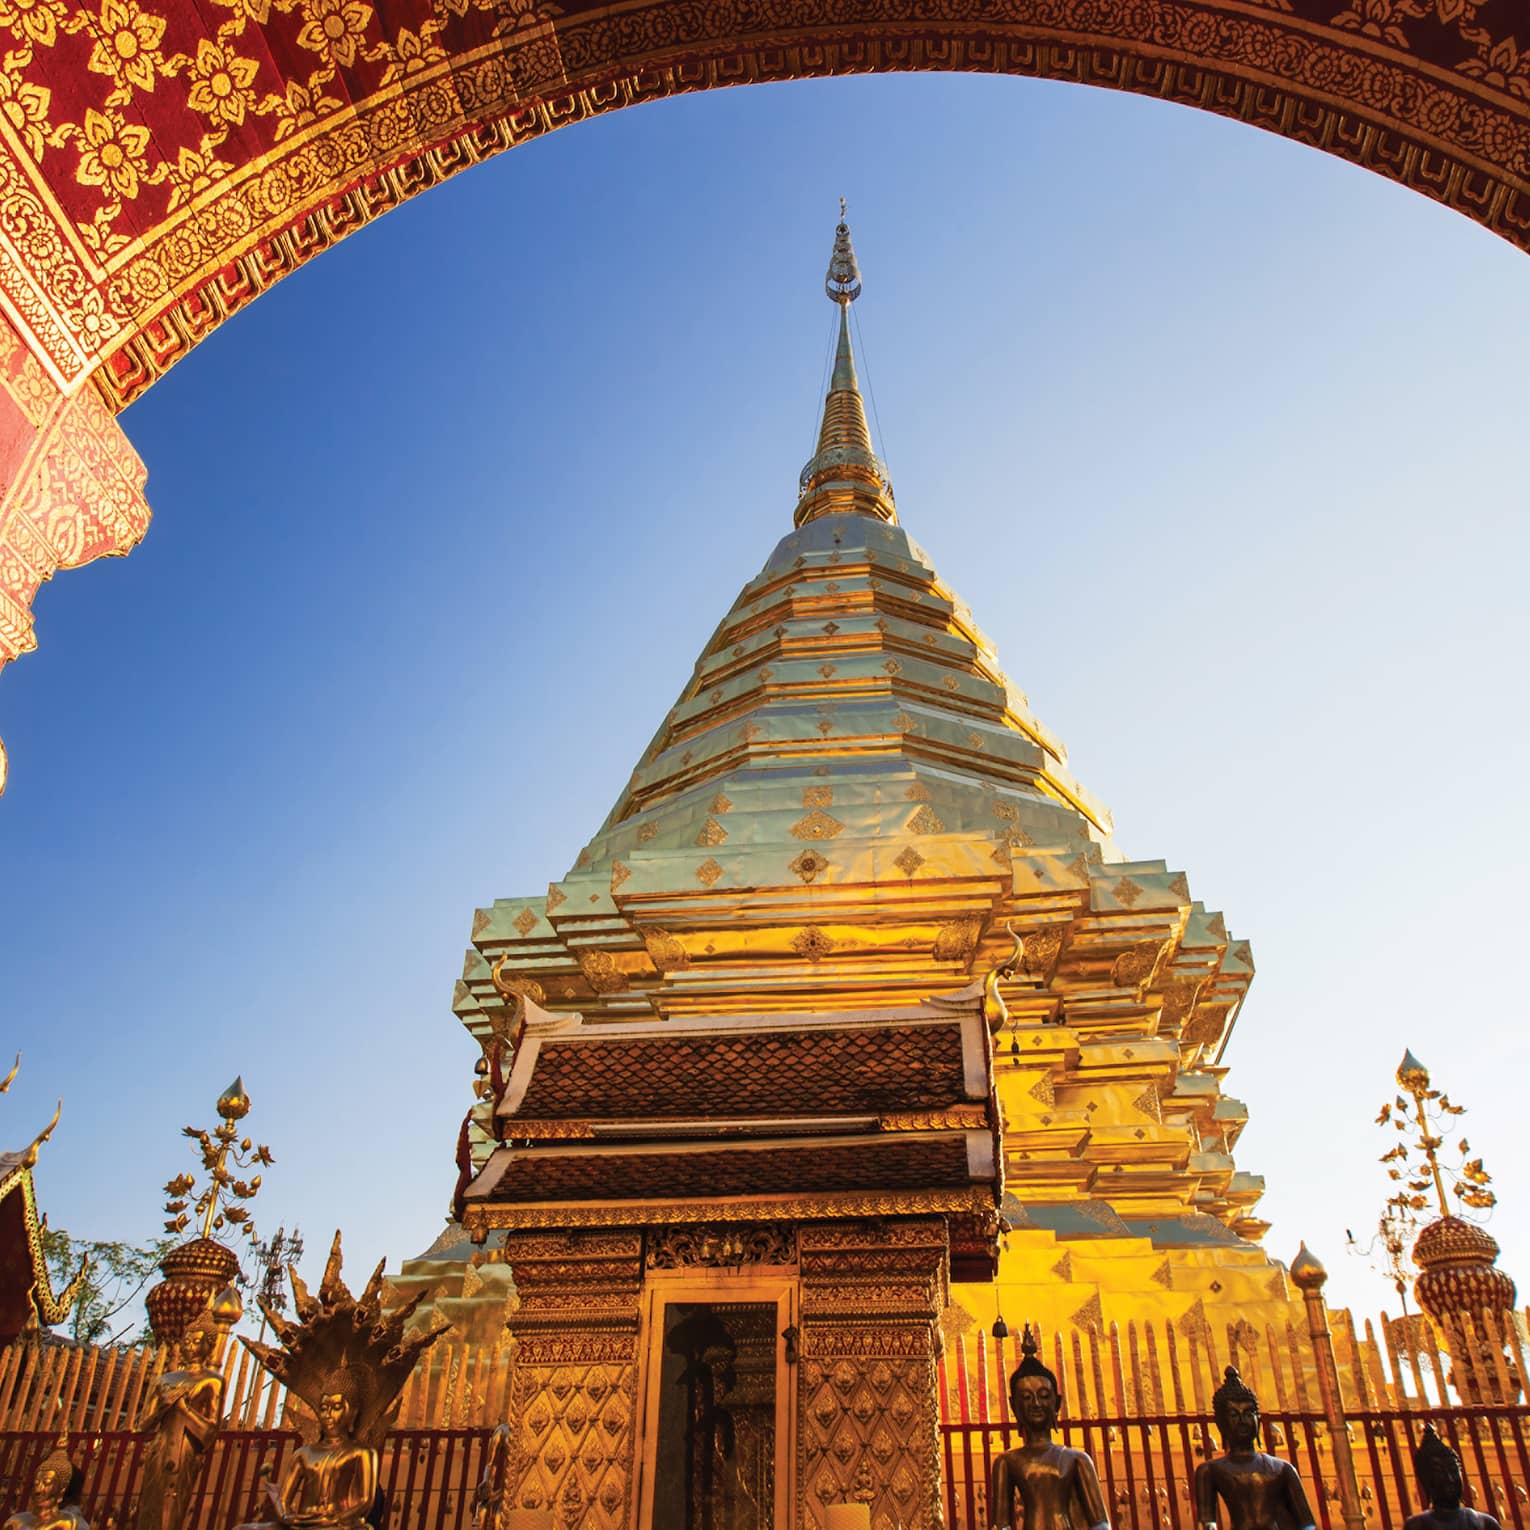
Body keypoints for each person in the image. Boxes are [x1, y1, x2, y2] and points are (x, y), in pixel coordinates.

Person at [989, 1327, 1109, 1530]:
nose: (1036, 1403)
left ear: (1057, 1402)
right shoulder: (1007, 1462)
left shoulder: (1077, 1459)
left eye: (1044, 1396)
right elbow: (1000, 1525)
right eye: (1026, 1397)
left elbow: (1101, 1522)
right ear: (1013, 1406)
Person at [235, 1371, 378, 1530]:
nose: (328, 1415)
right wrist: (288, 1517)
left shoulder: (361, 1452)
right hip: (303, 1521)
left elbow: (366, 1500)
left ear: (353, 1413)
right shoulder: (303, 1453)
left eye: (337, 1407)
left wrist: (334, 1519)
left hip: (339, 1523)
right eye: (324, 1408)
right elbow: (283, 1500)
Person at [135, 1306, 230, 1530]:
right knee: (149, 1506)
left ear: (209, 1346)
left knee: (173, 1506)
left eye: (197, 1341)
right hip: (160, 1447)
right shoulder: (165, 1379)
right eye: (187, 1341)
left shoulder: (212, 1381)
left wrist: (183, 1410)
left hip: (186, 1449)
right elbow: (143, 1425)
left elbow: (210, 1431)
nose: (190, 1346)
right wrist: (162, 1408)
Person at [1193, 1367, 1315, 1530]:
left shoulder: (1282, 1468)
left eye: (1249, 1413)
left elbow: (1306, 1523)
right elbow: (1207, 1523)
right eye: (1234, 1414)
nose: (1243, 1420)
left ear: (1259, 1419)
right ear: (1220, 1423)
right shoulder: (1210, 1471)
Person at [1403, 1423, 1502, 1530]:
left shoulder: (1484, 1523)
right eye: (1440, 1473)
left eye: (1453, 1470)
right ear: (1426, 1481)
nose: (1449, 1479)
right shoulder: (1417, 1525)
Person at [4, 1440, 89, 1530]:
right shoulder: (17, 1520)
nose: (38, 1489)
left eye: (47, 1483)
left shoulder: (70, 1523)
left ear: (62, 1490)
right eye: (36, 1483)